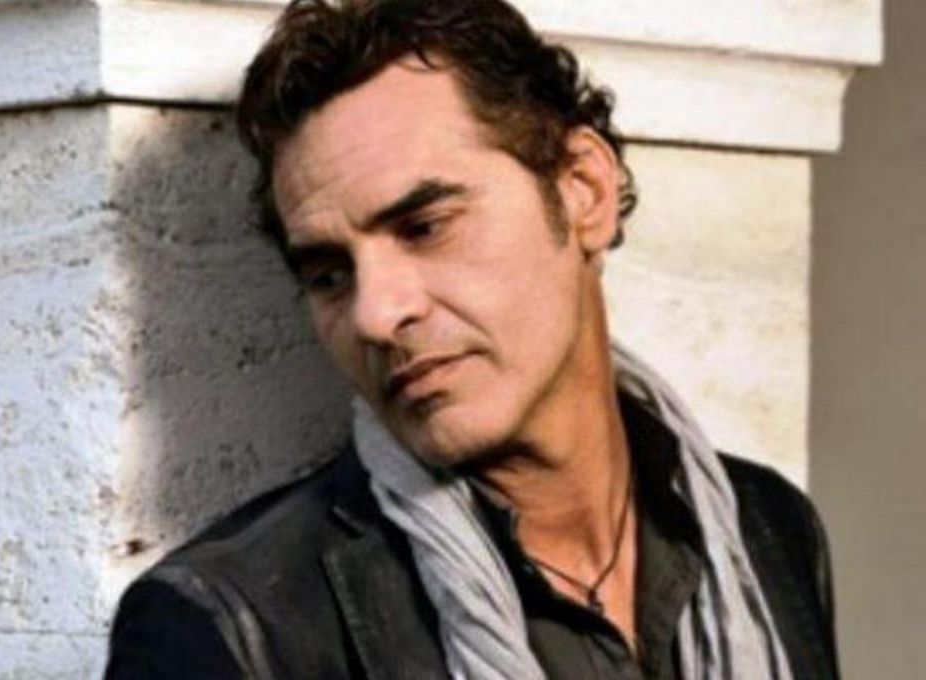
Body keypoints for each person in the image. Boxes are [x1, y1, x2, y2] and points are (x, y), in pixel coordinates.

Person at [105, 0, 839, 678]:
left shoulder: (766, 530)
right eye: (329, 274)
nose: (375, 315)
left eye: (425, 227)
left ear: (584, 190)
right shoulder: (229, 630)